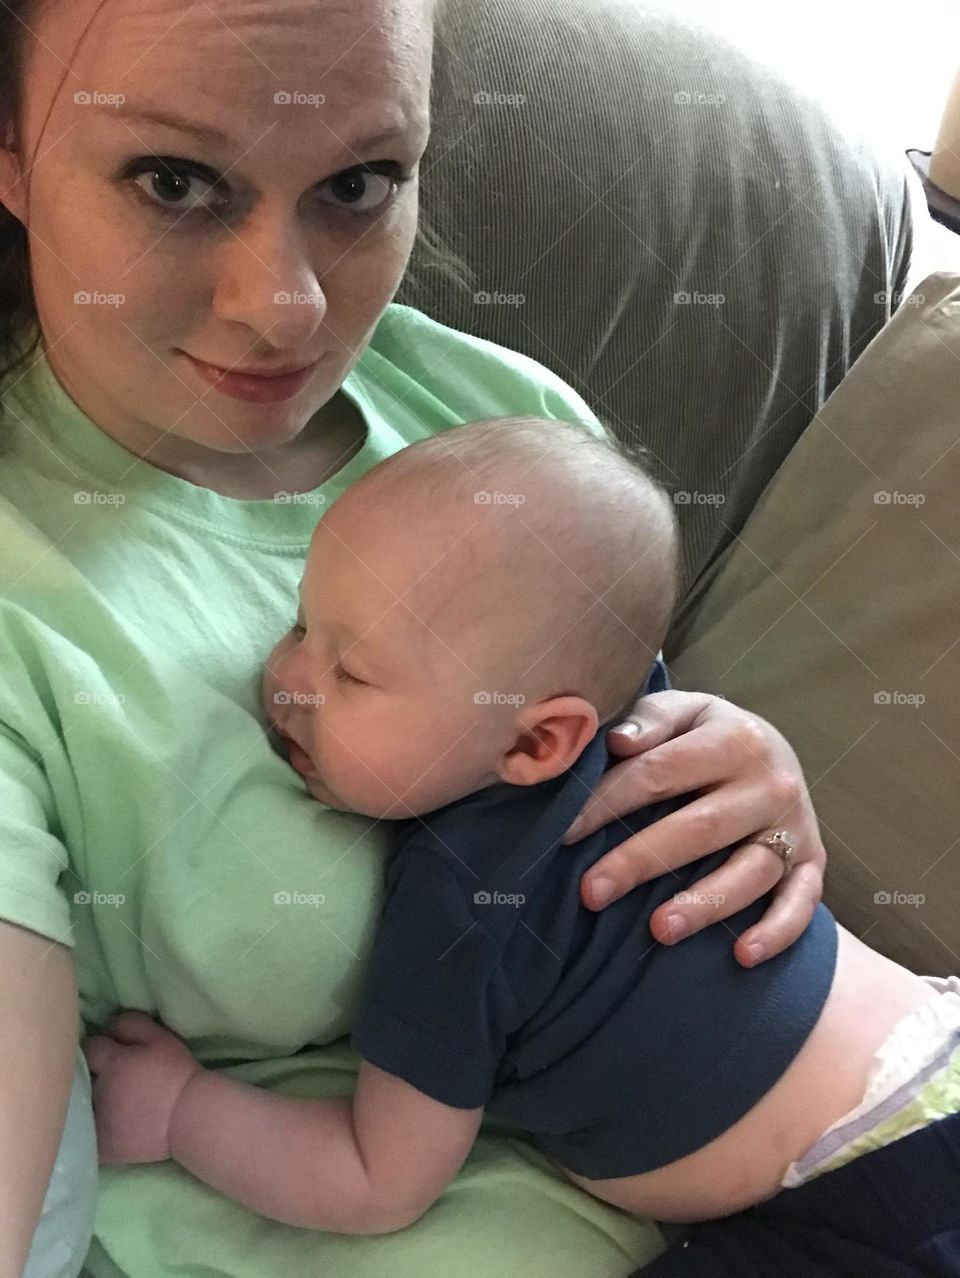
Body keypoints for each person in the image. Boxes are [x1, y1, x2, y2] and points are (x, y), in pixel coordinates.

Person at [0, 2, 831, 1276]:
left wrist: (743, 775)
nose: (283, 308)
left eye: (358, 183)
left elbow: (609, 761)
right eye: (174, 181)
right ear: (12, 154)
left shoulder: (505, 418)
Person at [84, 417, 960, 1277]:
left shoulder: (462, 904)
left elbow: (379, 1179)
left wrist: (180, 1112)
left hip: (863, 1195)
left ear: (538, 743)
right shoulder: (643, 716)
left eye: (350, 674)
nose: (285, 680)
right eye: (301, 625)